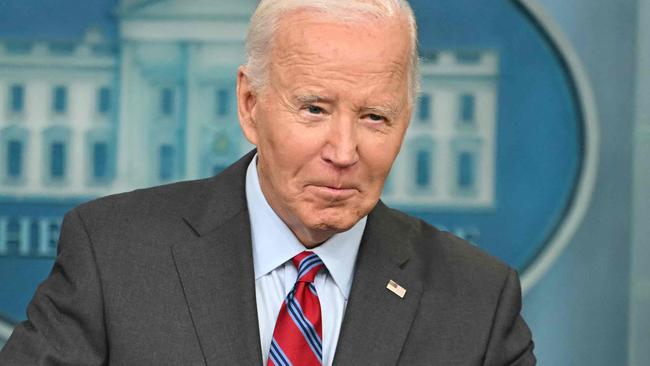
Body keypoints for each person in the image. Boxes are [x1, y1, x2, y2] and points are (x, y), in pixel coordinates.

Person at [0, 0, 535, 365]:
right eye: (314, 108)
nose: (344, 152)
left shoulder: (478, 301)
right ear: (250, 105)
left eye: (375, 117)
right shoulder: (113, 254)